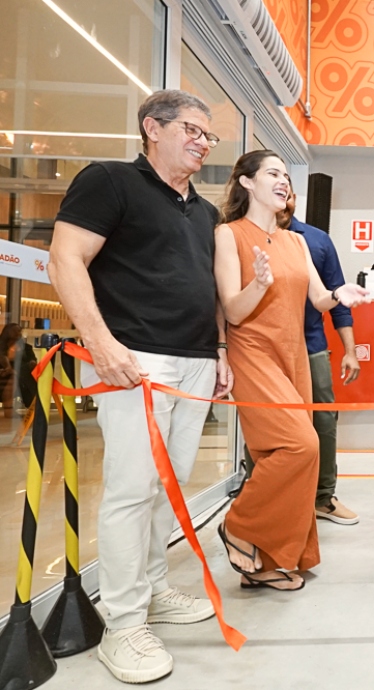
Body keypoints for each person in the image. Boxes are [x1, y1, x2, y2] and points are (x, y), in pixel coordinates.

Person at [49, 89, 232, 684]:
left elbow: (206, 287)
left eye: (209, 136)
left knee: (169, 488)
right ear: (152, 127)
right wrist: (100, 344)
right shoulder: (109, 181)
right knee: (133, 489)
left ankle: (152, 588)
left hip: (195, 362)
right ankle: (122, 622)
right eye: (193, 130)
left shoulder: (203, 213)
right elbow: (65, 259)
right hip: (133, 360)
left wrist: (221, 351)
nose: (203, 143)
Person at [213, 151, 368, 592]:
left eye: (285, 175)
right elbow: (233, 311)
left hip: (294, 354)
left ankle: (267, 562)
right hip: (254, 351)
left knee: (281, 458)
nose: (283, 181)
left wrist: (343, 294)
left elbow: (318, 299)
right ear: (246, 182)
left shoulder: (296, 241)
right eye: (273, 173)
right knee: (301, 446)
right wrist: (257, 284)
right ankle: (240, 526)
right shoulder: (228, 235)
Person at [280, 190, 362, 524]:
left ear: (295, 198)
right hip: (264, 351)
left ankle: (323, 497)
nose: (282, 197)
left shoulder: (315, 241)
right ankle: (266, 494)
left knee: (324, 421)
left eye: (287, 190)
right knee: (267, 420)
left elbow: (337, 299)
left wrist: (351, 351)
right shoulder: (242, 234)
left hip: (312, 346)